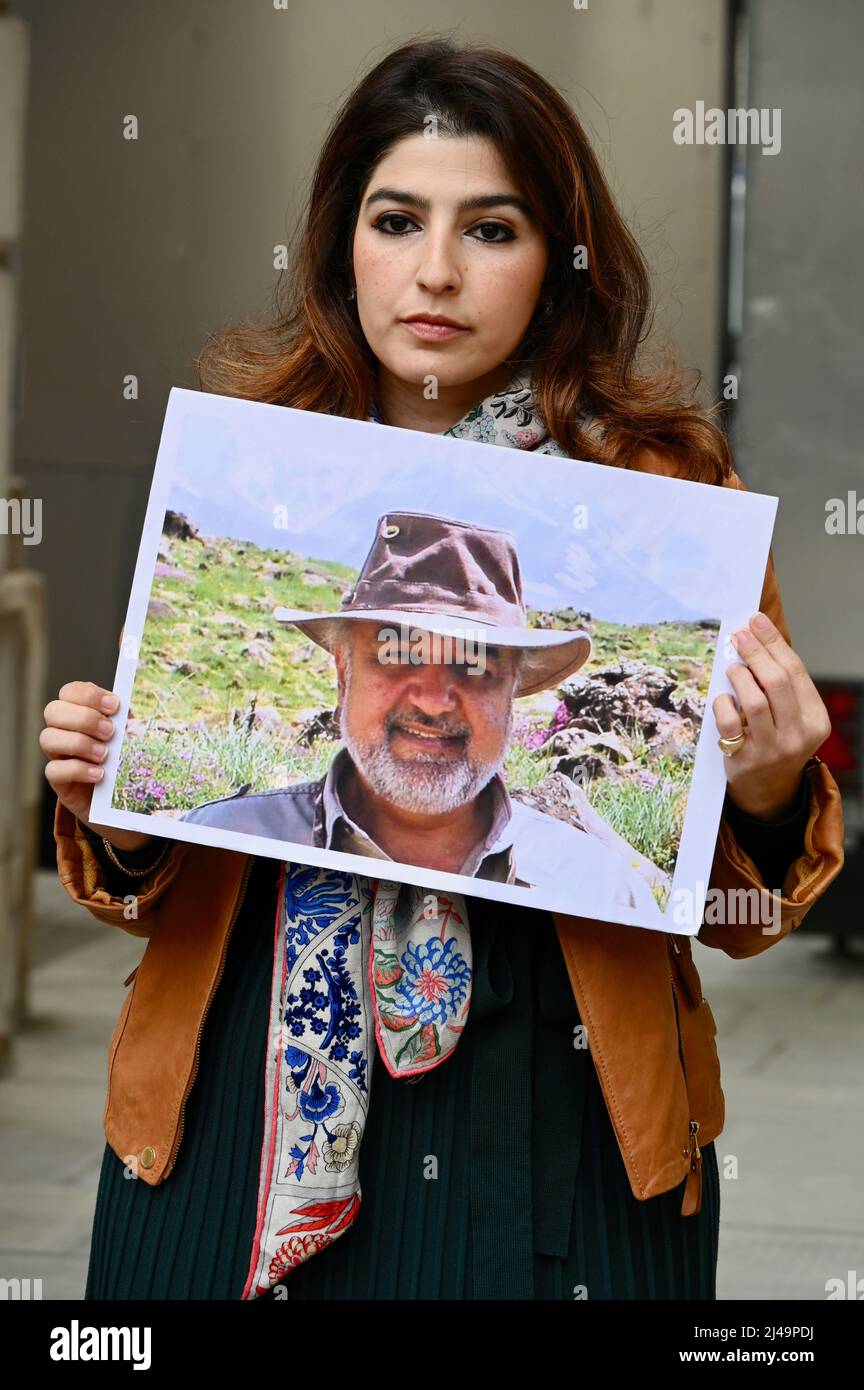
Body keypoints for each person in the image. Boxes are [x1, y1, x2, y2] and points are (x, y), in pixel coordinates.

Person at [41, 38, 844, 1301]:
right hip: (231, 1129)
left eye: (492, 228)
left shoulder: (670, 496)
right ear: (338, 243)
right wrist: (109, 805)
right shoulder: (254, 465)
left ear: (560, 258)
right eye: (397, 219)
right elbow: (145, 882)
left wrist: (772, 784)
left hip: (560, 1130)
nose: (433, 271)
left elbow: (748, 912)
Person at [180, 509, 664, 920]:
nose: (433, 701)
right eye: (398, 654)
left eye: (476, 664)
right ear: (344, 673)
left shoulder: (603, 890)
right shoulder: (219, 844)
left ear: (512, 693)